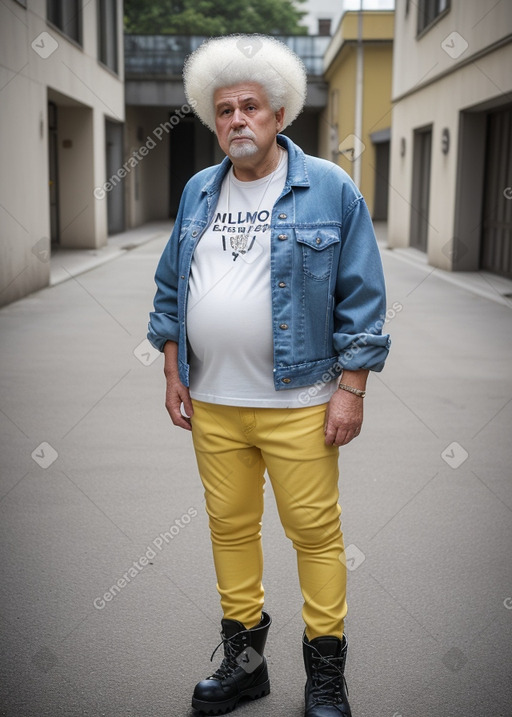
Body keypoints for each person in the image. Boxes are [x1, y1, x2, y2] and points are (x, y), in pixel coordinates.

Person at [148, 34, 390, 717]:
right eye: (224, 110)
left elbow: (363, 297)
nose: (237, 120)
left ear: (279, 114)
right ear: (212, 119)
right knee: (229, 528)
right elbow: (171, 287)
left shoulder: (330, 188)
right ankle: (246, 666)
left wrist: (351, 388)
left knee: (314, 533)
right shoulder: (200, 190)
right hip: (214, 403)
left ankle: (326, 676)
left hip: (302, 402)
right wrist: (172, 366)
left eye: (251, 106)